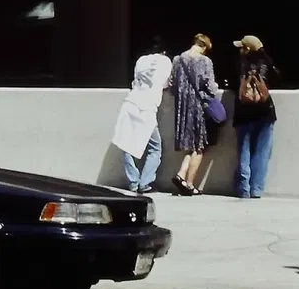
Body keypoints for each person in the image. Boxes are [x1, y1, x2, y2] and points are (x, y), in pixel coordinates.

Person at [113, 39, 173, 193]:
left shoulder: (141, 61)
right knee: (155, 147)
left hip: (131, 103)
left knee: (127, 145)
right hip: (147, 108)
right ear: (164, 52)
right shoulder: (165, 62)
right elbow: (167, 84)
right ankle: (145, 182)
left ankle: (133, 182)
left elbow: (135, 81)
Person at [170, 34, 221, 195]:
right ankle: (190, 184)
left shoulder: (177, 60)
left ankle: (180, 175)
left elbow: (172, 85)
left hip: (182, 107)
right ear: (205, 47)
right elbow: (211, 87)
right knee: (199, 146)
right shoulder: (205, 61)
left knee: (190, 146)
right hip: (199, 106)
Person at [232, 35, 278, 199]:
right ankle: (256, 189)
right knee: (262, 152)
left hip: (243, 113)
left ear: (247, 48)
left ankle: (243, 189)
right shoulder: (267, 63)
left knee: (244, 151)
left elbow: (231, 84)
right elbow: (278, 77)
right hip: (265, 112)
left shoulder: (239, 64)